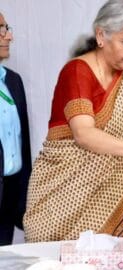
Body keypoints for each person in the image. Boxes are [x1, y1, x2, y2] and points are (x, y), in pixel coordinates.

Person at [23, 0, 123, 242]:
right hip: (61, 201)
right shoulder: (77, 72)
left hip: (110, 201)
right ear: (101, 36)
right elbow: (83, 134)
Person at [0, 12, 32, 245]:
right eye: (1, 30)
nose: (9, 36)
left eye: (7, 28)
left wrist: (24, 195)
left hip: (9, 194)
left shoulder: (13, 81)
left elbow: (23, 140)